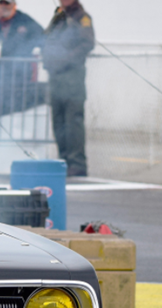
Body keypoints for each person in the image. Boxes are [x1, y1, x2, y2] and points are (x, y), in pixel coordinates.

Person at [43, 0, 93, 177]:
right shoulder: (59, 17)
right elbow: (47, 39)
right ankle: (63, 159)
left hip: (71, 78)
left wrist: (65, 60)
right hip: (56, 77)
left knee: (73, 122)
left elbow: (87, 44)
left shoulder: (82, 18)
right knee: (58, 122)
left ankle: (77, 163)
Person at [0, 0, 43, 121]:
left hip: (17, 76)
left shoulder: (25, 20)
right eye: (1, 3)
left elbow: (43, 38)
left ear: (14, 5)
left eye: (7, 3)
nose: (3, 6)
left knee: (12, 114)